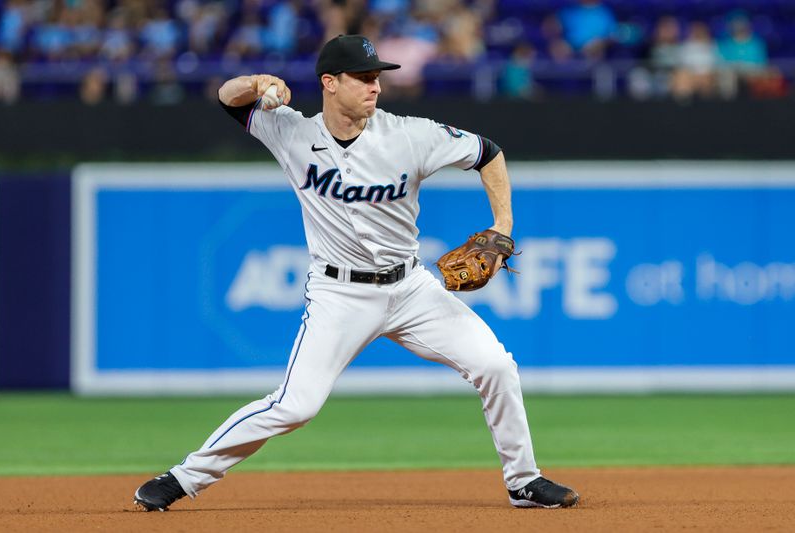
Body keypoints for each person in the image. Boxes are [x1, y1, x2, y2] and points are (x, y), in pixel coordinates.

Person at [133, 34, 579, 512]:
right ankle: (182, 477)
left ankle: (523, 480)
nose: (376, 87)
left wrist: (502, 225)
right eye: (364, 78)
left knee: (495, 366)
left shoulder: (411, 134)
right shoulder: (291, 132)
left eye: (378, 78)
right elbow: (227, 97)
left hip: (410, 289)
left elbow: (487, 152)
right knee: (294, 406)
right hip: (338, 295)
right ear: (329, 82)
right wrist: (256, 81)